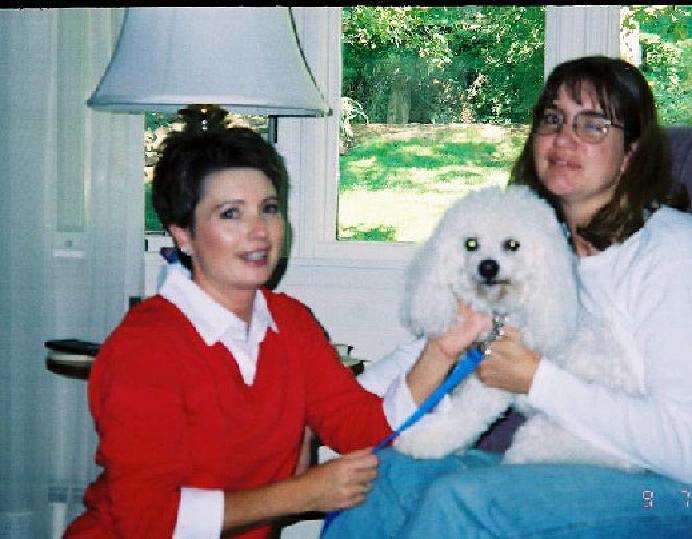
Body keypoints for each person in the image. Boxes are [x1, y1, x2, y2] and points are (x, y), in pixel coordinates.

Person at [322, 55, 692, 537]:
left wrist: (535, 380)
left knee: (466, 503)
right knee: (387, 478)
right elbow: (449, 336)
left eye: (593, 125)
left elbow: (690, 450)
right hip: (590, 467)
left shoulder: (677, 254)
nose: (564, 139)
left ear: (632, 153)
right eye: (553, 119)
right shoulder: (538, 246)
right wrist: (321, 409)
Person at [63, 108, 475, 538]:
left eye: (269, 209)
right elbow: (149, 519)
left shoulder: (290, 323)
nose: (259, 231)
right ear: (182, 234)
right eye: (231, 214)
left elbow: (360, 428)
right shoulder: (145, 349)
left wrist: (441, 348)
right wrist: (301, 494)